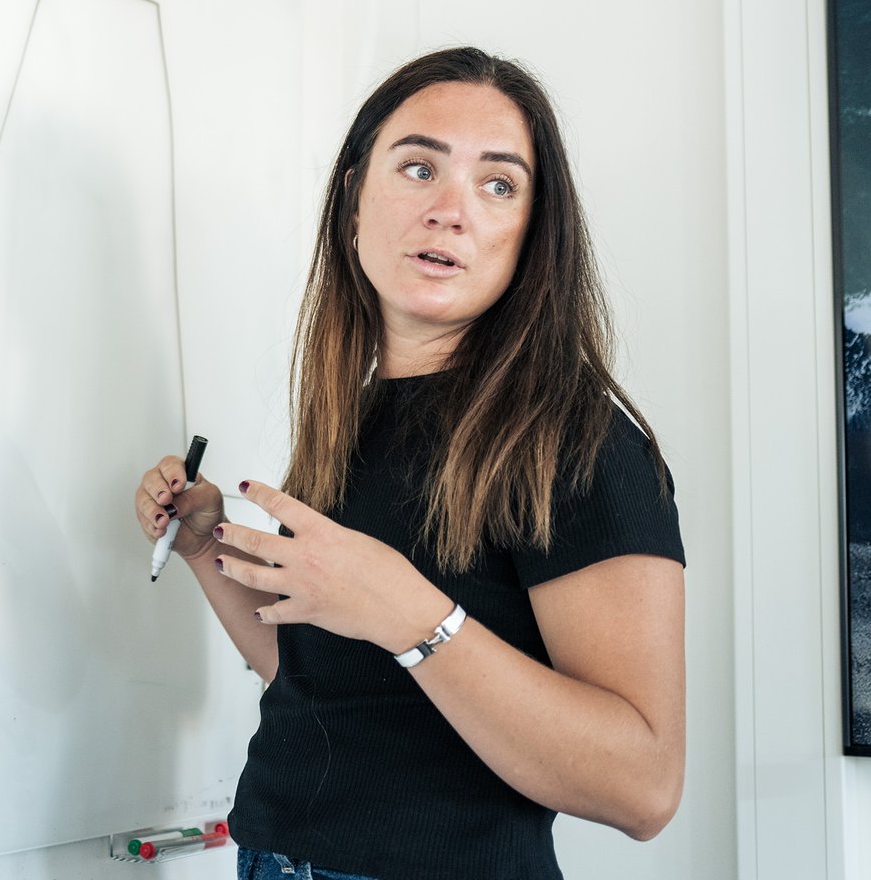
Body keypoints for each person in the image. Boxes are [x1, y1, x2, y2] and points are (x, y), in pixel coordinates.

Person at [135, 47, 685, 880]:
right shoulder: (349, 417)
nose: (451, 210)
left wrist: (412, 614)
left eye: (497, 184)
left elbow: (643, 786)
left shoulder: (578, 442)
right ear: (356, 195)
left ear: (531, 235)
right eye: (420, 167)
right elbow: (325, 676)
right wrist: (206, 542)